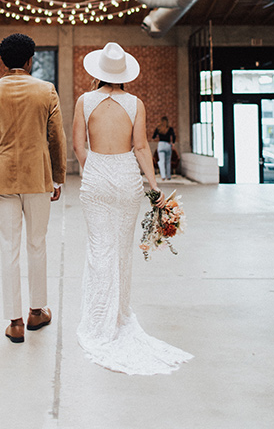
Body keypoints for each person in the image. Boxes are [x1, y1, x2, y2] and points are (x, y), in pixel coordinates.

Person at [72, 42, 193, 375]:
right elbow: (141, 147)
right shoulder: (135, 103)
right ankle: (117, 316)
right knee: (122, 251)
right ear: (124, 74)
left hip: (96, 179)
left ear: (97, 71)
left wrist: (93, 168)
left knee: (100, 250)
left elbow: (78, 145)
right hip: (126, 179)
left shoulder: (84, 101)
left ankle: (98, 322)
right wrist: (154, 187)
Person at [0, 33, 67, 344]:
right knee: (37, 243)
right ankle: (36, 311)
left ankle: (14, 322)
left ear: (5, 60)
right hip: (38, 177)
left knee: (8, 247)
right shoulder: (46, 91)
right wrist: (59, 177)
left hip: (2, 178)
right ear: (31, 60)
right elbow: (56, 138)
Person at [153, 116, 176, 180]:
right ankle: (168, 176)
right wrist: (173, 143)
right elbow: (173, 136)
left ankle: (163, 176)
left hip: (161, 144)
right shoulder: (170, 128)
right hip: (168, 145)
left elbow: (153, 136)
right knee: (168, 161)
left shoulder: (159, 128)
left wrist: (157, 135)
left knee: (161, 161)